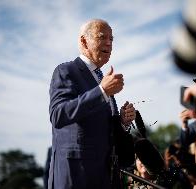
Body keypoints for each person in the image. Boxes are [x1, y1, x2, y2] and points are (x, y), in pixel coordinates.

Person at [48, 19, 136, 189]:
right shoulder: (66, 71)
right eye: (102, 37)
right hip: (77, 176)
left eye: (112, 39)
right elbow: (58, 114)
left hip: (106, 177)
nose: (109, 43)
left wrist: (123, 122)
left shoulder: (102, 79)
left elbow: (104, 128)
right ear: (84, 41)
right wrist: (102, 91)